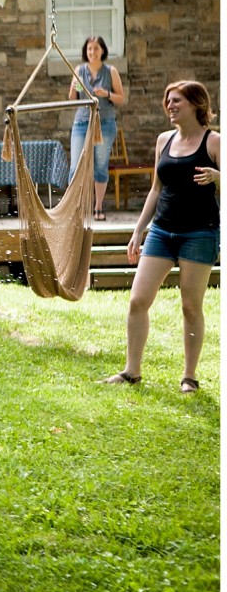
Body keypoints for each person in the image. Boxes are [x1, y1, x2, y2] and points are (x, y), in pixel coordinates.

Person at [101, 81, 219, 393]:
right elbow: (156, 188)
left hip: (199, 233)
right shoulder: (163, 140)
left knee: (190, 306)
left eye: (176, 100)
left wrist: (219, 177)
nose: (170, 106)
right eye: (167, 101)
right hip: (162, 231)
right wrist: (139, 230)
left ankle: (189, 377)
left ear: (195, 104)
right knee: (138, 300)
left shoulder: (214, 142)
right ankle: (131, 372)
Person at [67, 35, 125, 221]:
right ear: (86, 51)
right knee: (76, 167)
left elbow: (121, 98)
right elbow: (72, 99)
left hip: (105, 123)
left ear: (102, 51)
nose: (92, 52)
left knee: (100, 166)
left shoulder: (111, 71)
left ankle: (98, 207)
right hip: (81, 123)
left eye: (96, 48)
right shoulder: (79, 70)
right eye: (90, 48)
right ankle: (74, 208)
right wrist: (75, 85)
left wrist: (106, 93)